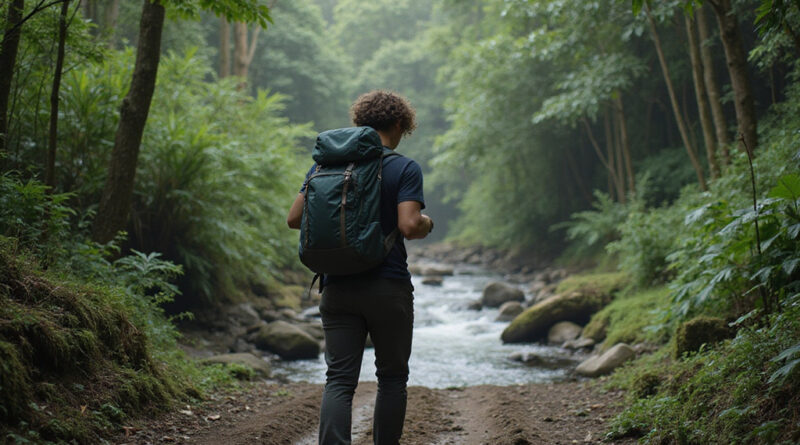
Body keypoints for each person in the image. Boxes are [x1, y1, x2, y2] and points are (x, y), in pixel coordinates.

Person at [286, 90, 433, 444]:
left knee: (338, 379)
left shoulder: (324, 166)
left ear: (361, 123)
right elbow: (410, 226)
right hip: (388, 286)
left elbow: (294, 219)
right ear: (400, 123)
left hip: (336, 286)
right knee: (392, 378)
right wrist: (428, 223)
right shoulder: (403, 167)